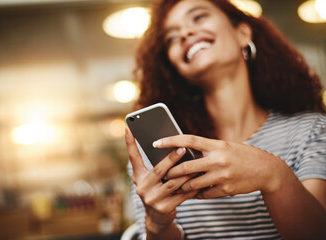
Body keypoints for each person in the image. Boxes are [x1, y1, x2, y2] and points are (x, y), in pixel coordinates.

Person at [124, 0, 326, 239]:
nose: (185, 33)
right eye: (171, 37)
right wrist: (157, 225)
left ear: (242, 33)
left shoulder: (311, 130)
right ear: (175, 67)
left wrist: (273, 174)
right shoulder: (161, 153)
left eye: (198, 17)